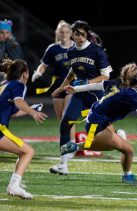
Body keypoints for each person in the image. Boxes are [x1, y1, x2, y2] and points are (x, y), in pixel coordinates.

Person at [60, 63, 137, 184]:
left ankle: (76, 146)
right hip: (99, 123)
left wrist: (76, 89)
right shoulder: (131, 95)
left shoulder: (117, 84)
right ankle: (127, 176)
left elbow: (97, 85)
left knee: (112, 146)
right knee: (128, 150)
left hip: (94, 117)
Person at [50, 20, 113, 175]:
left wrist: (87, 82)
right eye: (77, 34)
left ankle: (120, 138)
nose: (79, 37)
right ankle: (63, 164)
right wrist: (60, 88)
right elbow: (72, 72)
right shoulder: (71, 51)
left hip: (95, 94)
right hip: (79, 94)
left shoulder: (97, 51)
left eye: (82, 34)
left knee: (103, 132)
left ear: (87, 35)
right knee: (65, 123)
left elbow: (106, 76)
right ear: (73, 34)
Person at [0, 59, 47, 199]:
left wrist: (30, 110)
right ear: (25, 74)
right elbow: (19, 102)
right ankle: (14, 186)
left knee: (25, 151)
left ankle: (14, 185)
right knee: (28, 151)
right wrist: (33, 113)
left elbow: (13, 111)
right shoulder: (19, 85)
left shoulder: (4, 84)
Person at [31, 20, 76, 143]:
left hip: (72, 84)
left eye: (67, 32)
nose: (64, 34)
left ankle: (71, 143)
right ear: (57, 33)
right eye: (61, 32)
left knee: (68, 115)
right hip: (58, 84)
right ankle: (65, 143)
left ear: (71, 33)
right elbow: (44, 64)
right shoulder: (53, 48)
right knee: (61, 118)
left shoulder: (76, 46)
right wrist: (38, 72)